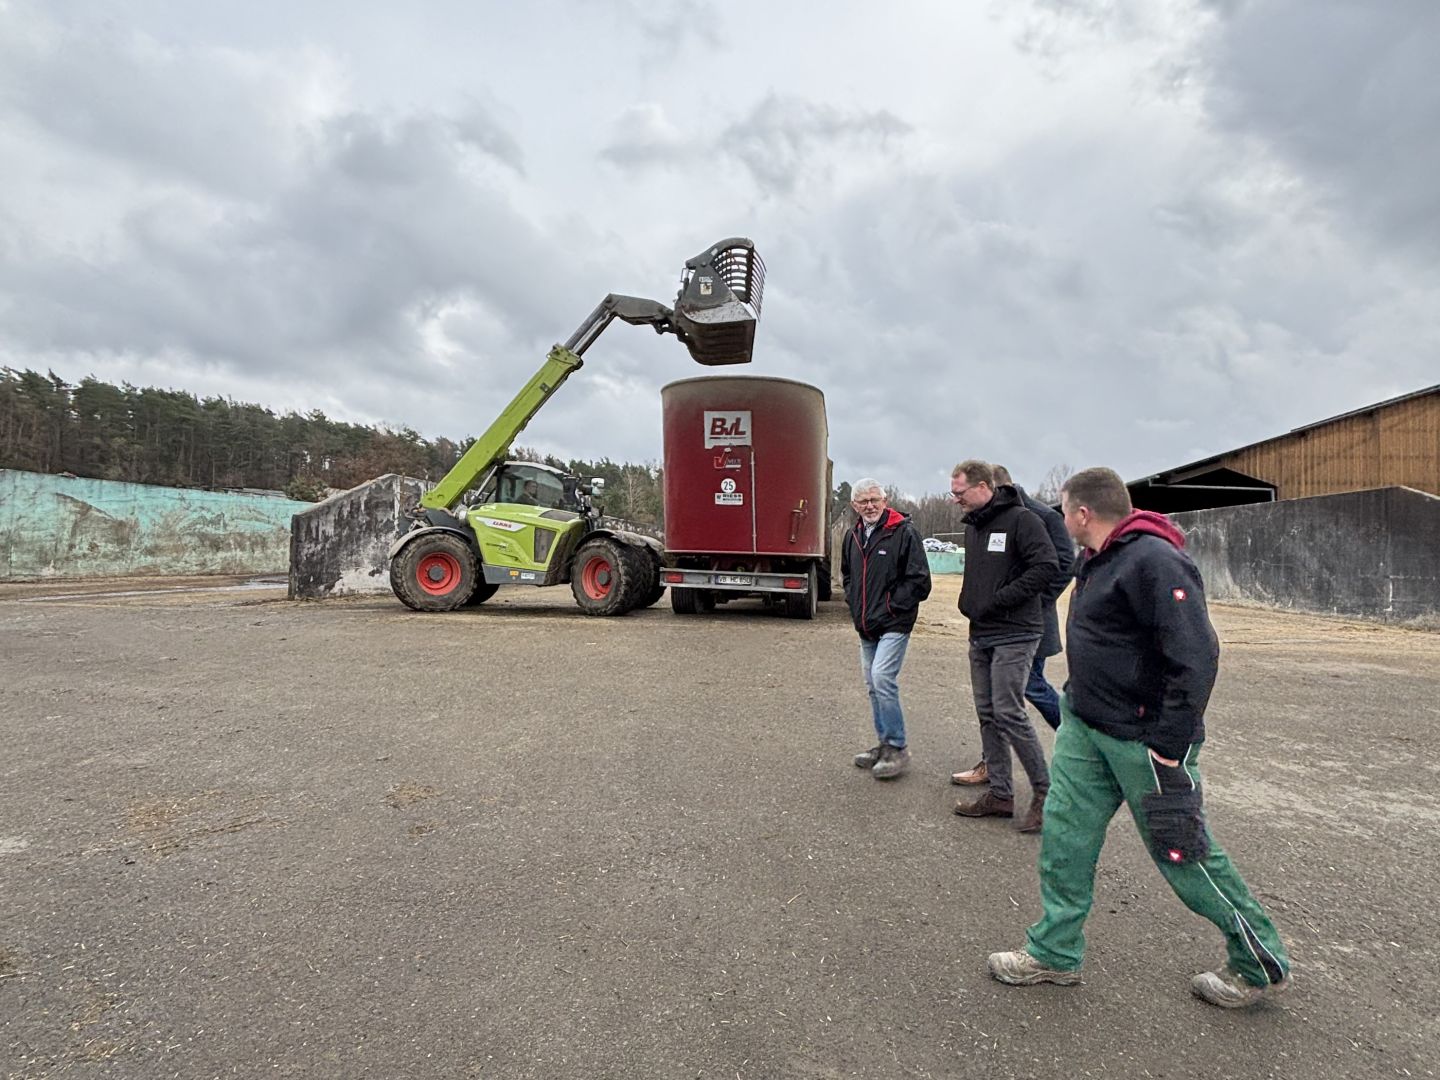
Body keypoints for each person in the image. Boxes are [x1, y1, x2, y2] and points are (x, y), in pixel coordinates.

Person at [987, 467, 1291, 1009]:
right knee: (1065, 839)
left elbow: (1197, 656)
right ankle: (1054, 954)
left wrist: (1169, 744)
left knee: (1183, 854)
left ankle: (1257, 958)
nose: (1060, 518)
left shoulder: (1154, 560)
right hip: (1086, 726)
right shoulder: (1097, 558)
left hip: (1144, 740)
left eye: (1063, 509)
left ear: (1083, 513)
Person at [949, 460, 1059, 833]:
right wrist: (970, 602)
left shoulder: (1023, 520)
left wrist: (999, 599)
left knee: (1009, 711)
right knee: (987, 712)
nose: (955, 500)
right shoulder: (975, 528)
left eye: (959, 493)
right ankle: (1000, 794)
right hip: (981, 633)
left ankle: (1045, 795)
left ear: (983, 487)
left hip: (1016, 632)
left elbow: (1047, 567)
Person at [841, 478, 932, 780]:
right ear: (854, 505)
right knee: (872, 684)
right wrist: (856, 606)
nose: (869, 506)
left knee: (882, 677)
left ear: (885, 500)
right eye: (863, 502)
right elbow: (848, 576)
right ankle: (884, 744)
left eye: (874, 500)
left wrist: (891, 607)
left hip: (894, 622)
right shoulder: (853, 536)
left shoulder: (903, 533)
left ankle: (898, 746)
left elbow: (920, 581)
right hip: (866, 625)